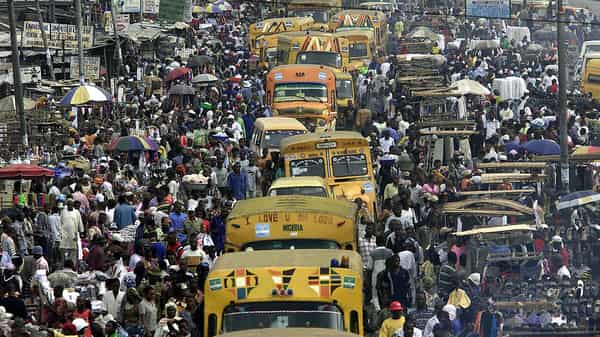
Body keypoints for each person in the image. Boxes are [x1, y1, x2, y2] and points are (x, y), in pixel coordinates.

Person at [60, 199, 84, 266]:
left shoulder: (76, 212)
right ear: (67, 205)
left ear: (73, 205)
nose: (70, 206)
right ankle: (64, 266)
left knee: (73, 253)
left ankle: (73, 266)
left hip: (73, 236)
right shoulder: (63, 212)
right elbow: (60, 223)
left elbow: (80, 223)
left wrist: (81, 231)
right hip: (64, 237)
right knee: (64, 253)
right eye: (68, 204)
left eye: (71, 204)